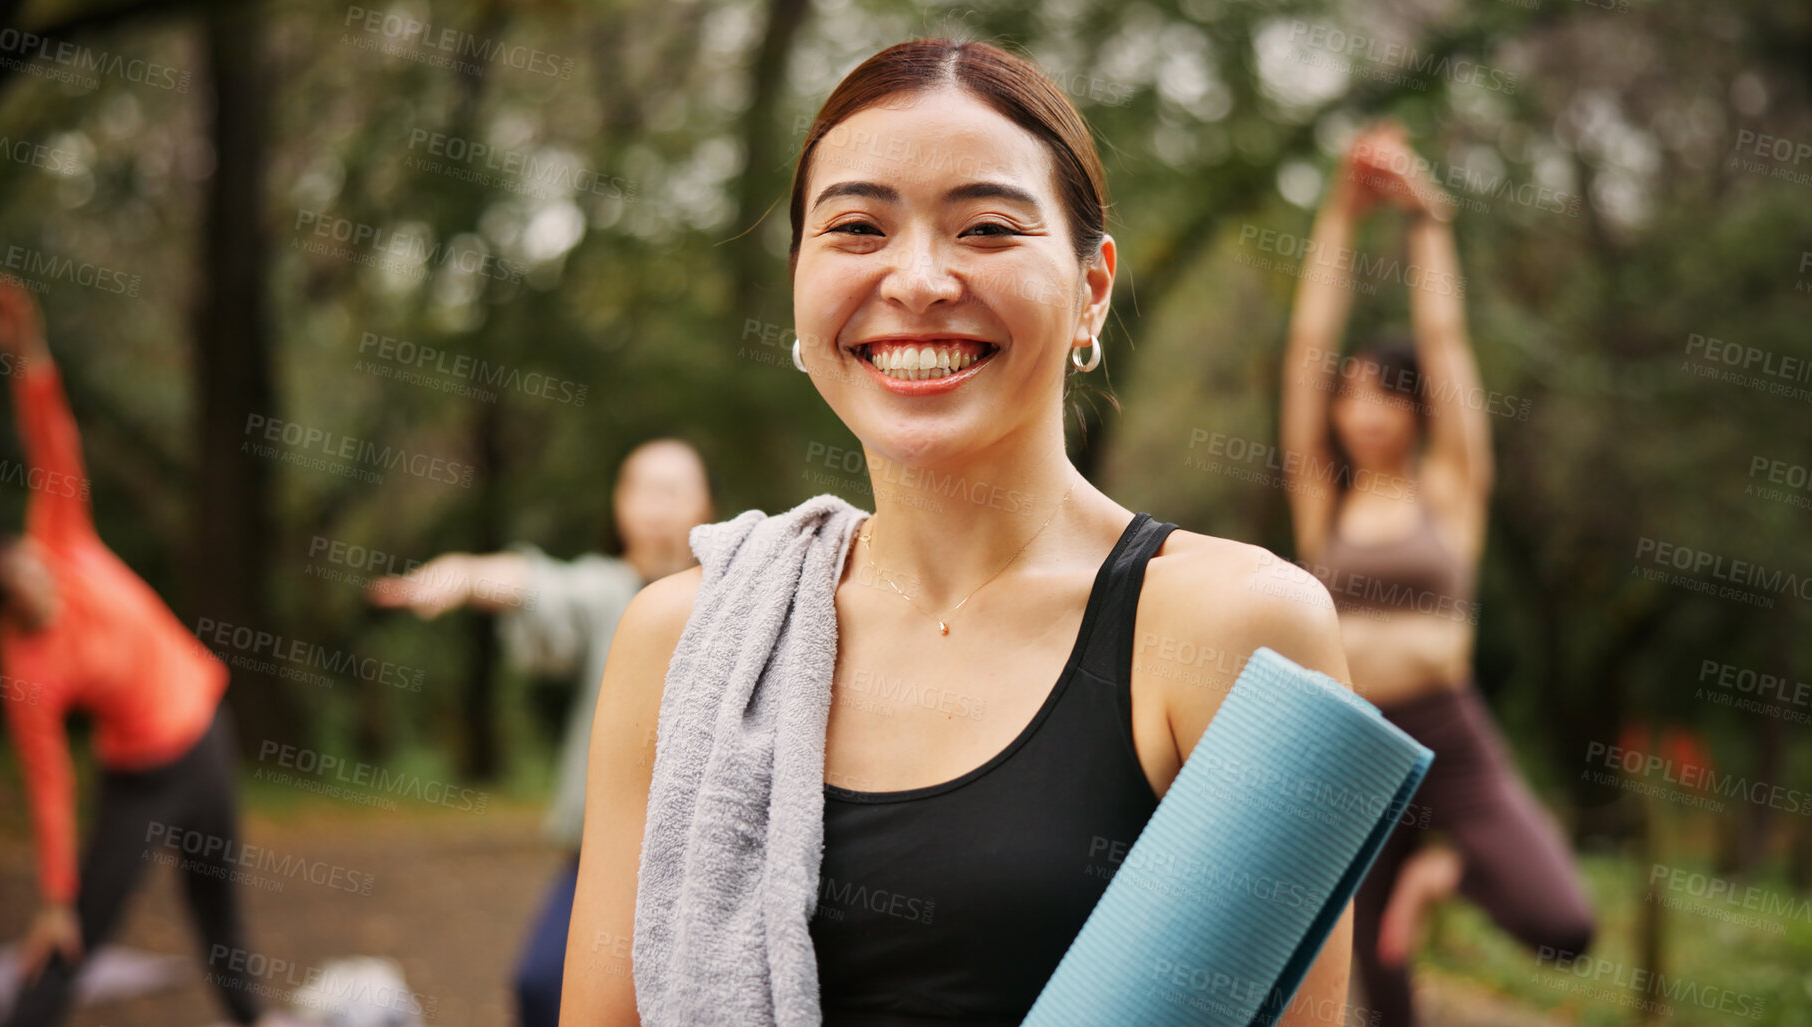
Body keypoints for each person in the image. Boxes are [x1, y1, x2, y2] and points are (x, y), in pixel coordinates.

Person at [561, 37, 1359, 1026]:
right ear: (800, 291)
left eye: (985, 227)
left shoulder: (1237, 630)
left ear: (1092, 290)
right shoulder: (680, 639)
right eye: (856, 227)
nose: (920, 279)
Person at [1276, 123, 1596, 1025]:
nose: (1359, 409)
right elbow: (1305, 349)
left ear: (1416, 408)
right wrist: (1338, 217)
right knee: (1381, 992)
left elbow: (1446, 340)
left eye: (1384, 391)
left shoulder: (1450, 488)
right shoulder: (1321, 497)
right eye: (1349, 391)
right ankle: (1407, 882)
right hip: (1349, 743)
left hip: (1446, 735)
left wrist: (1429, 218)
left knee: (1560, 921)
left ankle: (1440, 866)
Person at [0, 277, 287, 1027]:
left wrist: (29, 354)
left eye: (24, 559)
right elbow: (48, 786)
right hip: (138, 778)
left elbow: (53, 438)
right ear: (0, 608)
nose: (35, 576)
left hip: (205, 736)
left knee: (219, 916)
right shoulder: (27, 669)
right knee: (78, 925)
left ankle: (258, 1020)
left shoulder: (61, 535)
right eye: (16, 584)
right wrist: (50, 898)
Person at [366, 438, 712, 1027]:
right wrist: (469, 573)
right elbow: (537, 581)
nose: (654, 504)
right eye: (638, 487)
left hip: (707, 849)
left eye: (671, 488)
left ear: (707, 506)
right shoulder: (608, 592)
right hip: (608, 846)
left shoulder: (737, 594)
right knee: (541, 983)